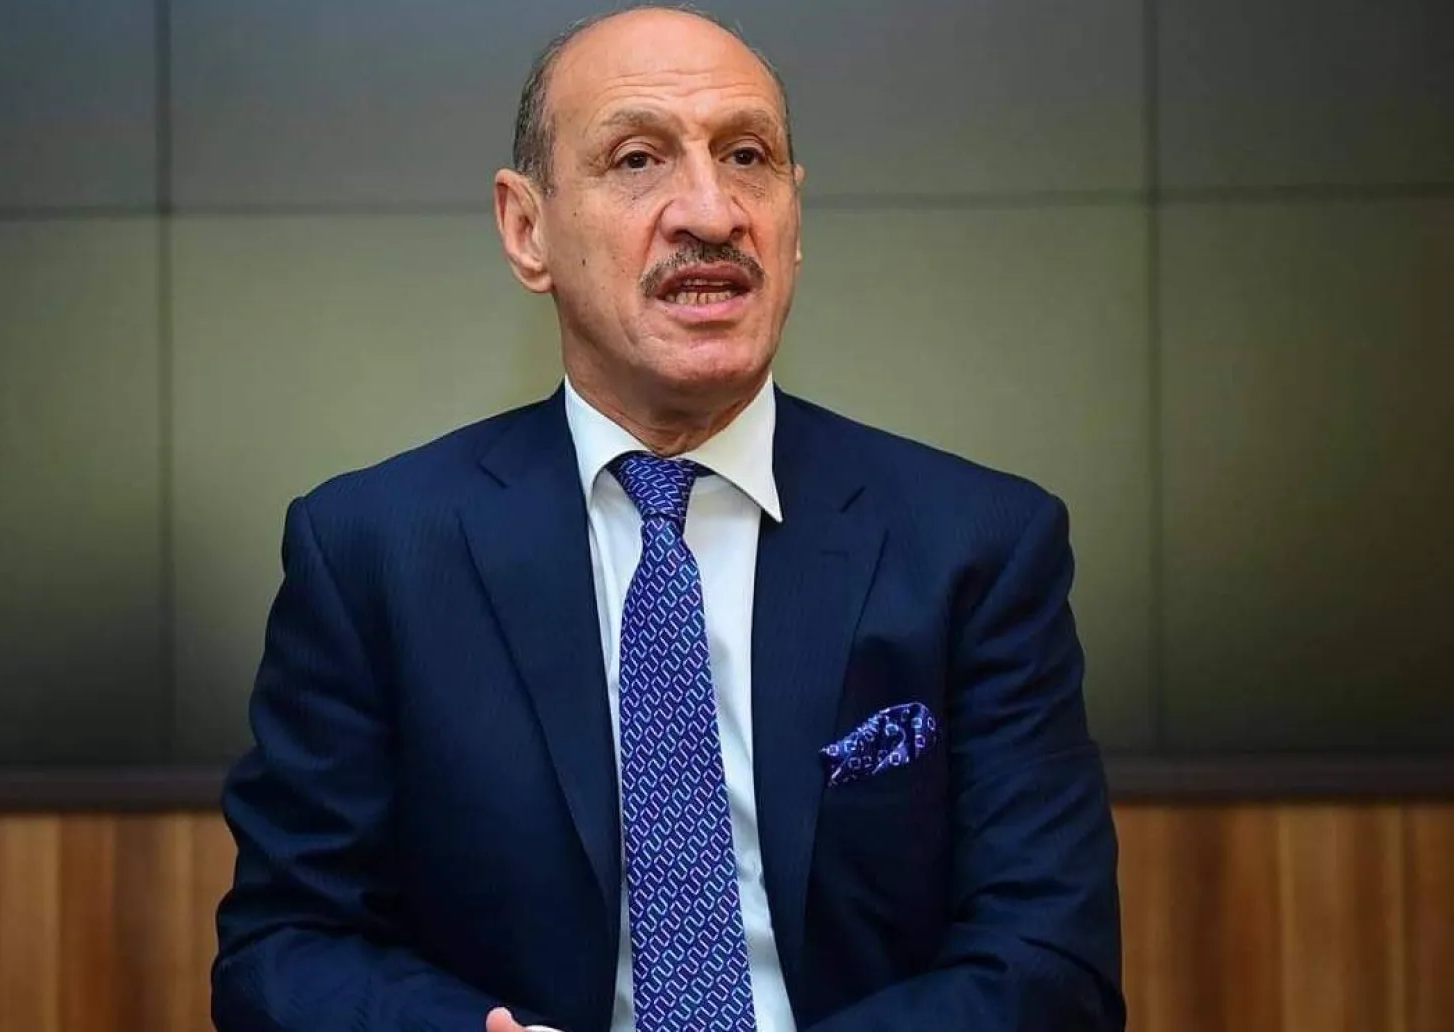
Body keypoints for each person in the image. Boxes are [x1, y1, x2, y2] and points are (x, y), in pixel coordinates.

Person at [210, 6, 1124, 1032]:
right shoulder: (375, 551)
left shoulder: (978, 546)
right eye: (638, 159)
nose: (711, 211)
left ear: (795, 218)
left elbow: (1050, 962)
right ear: (527, 230)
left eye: (747, 157)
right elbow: (284, 949)